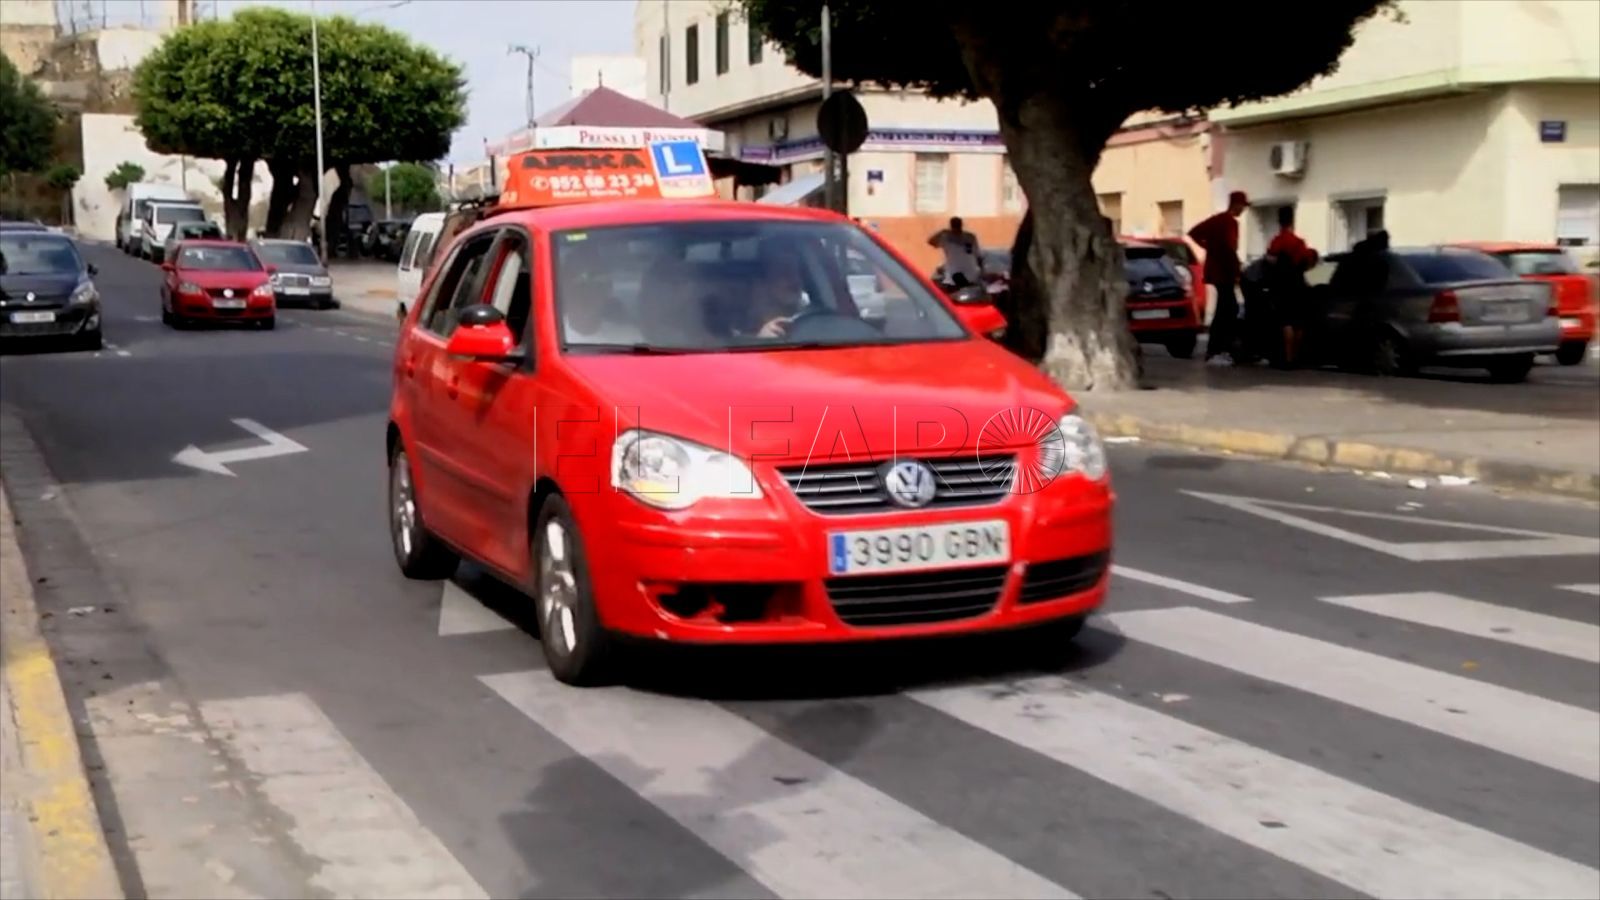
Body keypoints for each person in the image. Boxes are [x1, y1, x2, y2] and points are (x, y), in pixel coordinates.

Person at [1189, 191, 1249, 366]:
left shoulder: (1216, 220)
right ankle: (1217, 350)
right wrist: (1237, 271)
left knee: (1226, 308)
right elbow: (1230, 249)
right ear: (1236, 204)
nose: (1242, 210)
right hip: (1225, 272)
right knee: (1227, 310)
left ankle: (1218, 349)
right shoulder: (1230, 223)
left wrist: (1208, 247)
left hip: (1215, 271)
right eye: (1242, 206)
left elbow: (1193, 232)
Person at [1264, 206, 1319, 368]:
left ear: (1279, 221)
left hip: (1282, 287)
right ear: (1292, 220)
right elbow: (1308, 261)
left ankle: (1287, 358)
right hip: (1298, 285)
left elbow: (1269, 262)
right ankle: (1296, 356)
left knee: (1286, 322)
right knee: (1298, 323)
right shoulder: (1299, 242)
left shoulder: (1277, 241)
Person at [928, 217, 982, 288]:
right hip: (969, 274)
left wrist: (942, 232)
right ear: (961, 224)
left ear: (951, 225)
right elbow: (977, 255)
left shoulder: (946, 238)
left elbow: (931, 242)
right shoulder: (970, 237)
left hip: (955, 274)